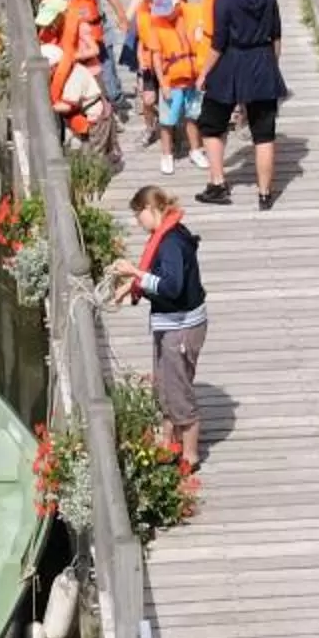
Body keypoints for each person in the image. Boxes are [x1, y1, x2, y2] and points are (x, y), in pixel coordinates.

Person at [106, 186, 207, 469]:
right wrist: (131, 286)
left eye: (139, 216)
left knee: (179, 390)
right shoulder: (170, 236)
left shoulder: (172, 243)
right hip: (171, 325)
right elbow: (160, 277)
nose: (138, 223)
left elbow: (172, 287)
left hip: (181, 327)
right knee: (164, 386)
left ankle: (189, 457)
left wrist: (134, 273)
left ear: (151, 210)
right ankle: (167, 445)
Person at [199, 0, 287, 208]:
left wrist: (203, 73)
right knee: (264, 133)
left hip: (231, 63)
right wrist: (272, 65)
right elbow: (276, 36)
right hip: (262, 61)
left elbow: (218, 42)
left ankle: (217, 184)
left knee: (211, 124)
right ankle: (264, 194)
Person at [121, 0, 185, 139]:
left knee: (148, 72)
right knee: (148, 71)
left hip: (152, 27)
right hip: (153, 26)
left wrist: (125, 20)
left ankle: (160, 122)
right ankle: (153, 117)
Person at [38, 0, 120, 162]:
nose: (49, 25)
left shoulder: (80, 27)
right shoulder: (56, 34)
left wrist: (72, 57)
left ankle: (108, 157)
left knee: (97, 147)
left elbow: (95, 50)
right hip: (74, 83)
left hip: (90, 77)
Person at [135, 0, 203, 167]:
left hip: (192, 78)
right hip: (170, 81)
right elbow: (156, 57)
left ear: (177, 4)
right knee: (167, 121)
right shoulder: (155, 24)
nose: (164, 14)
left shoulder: (194, 14)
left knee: (192, 116)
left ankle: (195, 150)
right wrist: (162, 84)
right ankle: (167, 155)